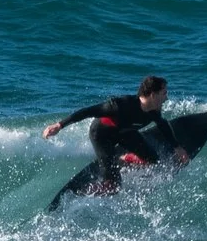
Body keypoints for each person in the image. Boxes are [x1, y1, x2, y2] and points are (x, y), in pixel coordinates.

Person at [44, 76, 188, 192]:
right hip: (102, 135)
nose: (166, 97)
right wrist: (59, 125)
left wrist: (177, 147)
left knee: (153, 161)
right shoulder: (120, 105)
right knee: (113, 187)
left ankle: (122, 159)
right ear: (152, 95)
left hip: (125, 132)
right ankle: (83, 191)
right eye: (164, 93)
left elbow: (162, 124)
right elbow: (87, 111)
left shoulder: (154, 110)